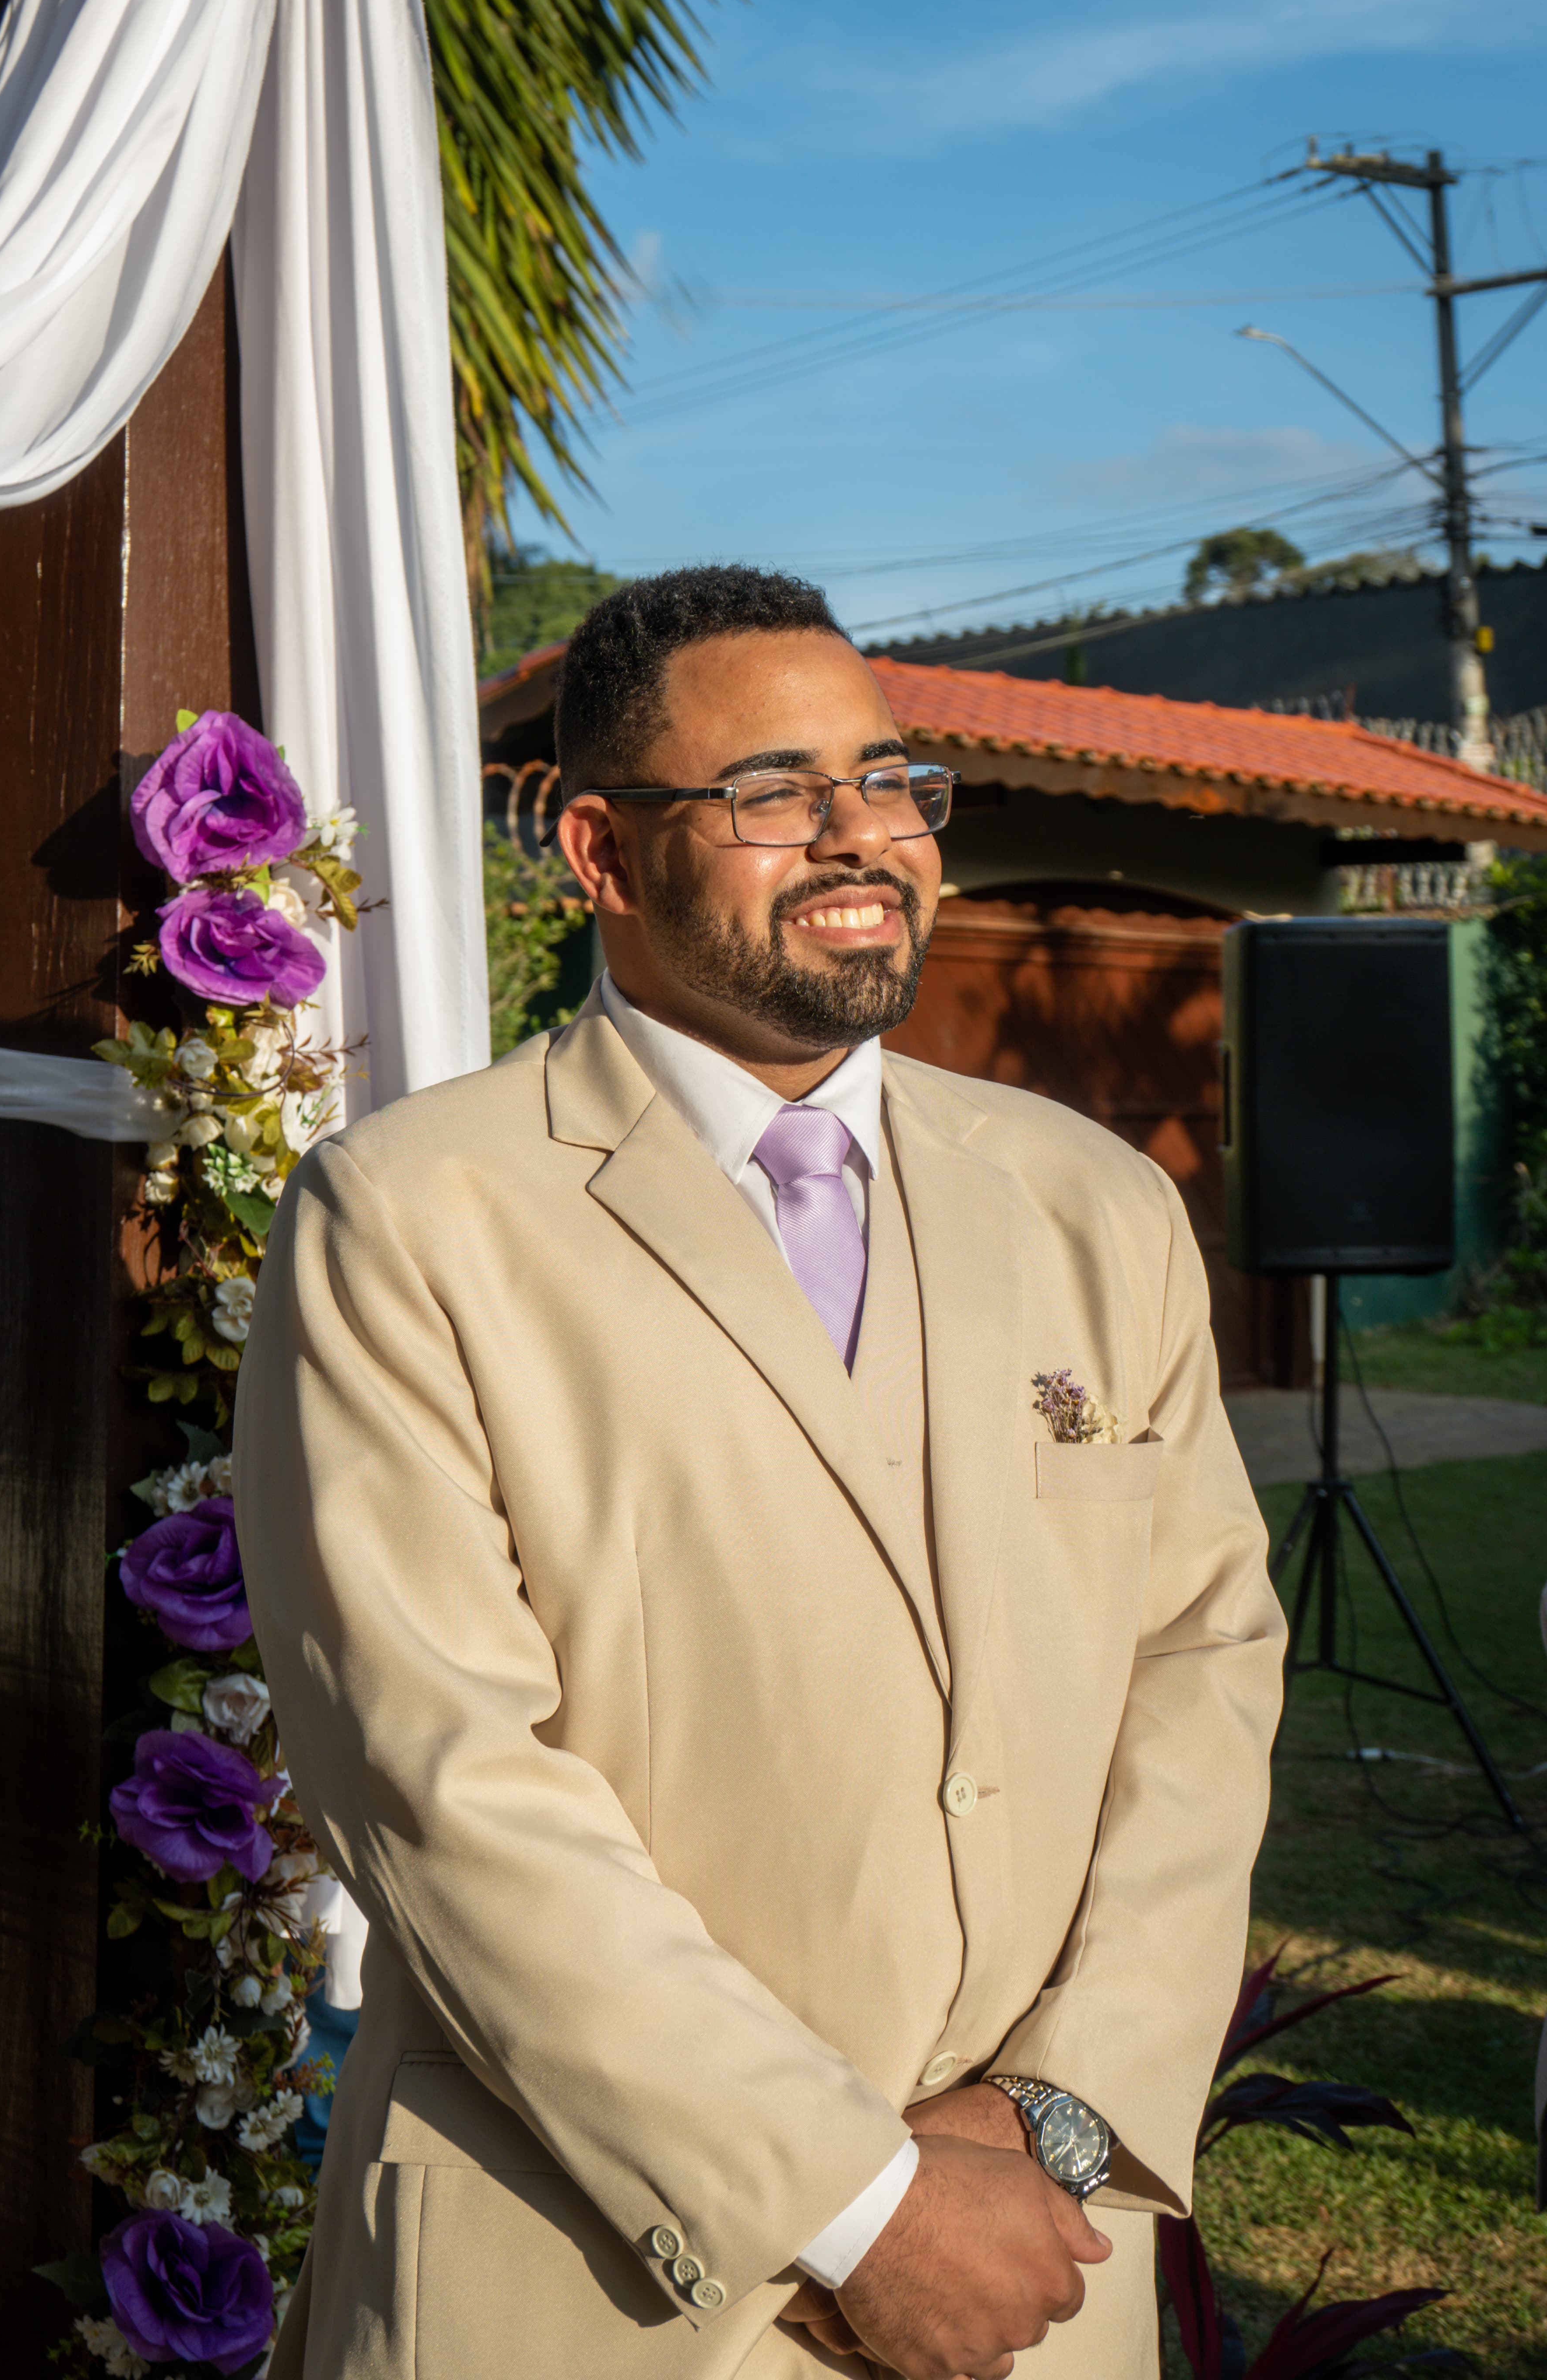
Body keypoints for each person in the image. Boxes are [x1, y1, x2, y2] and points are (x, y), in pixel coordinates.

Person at [234, 565, 1285, 2380]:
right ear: (597, 851)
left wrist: (1053, 2117)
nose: (860, 836)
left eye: (887, 782)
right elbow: (441, 1781)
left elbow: (1202, 1660)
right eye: (773, 794)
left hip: (1039, 2260)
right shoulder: (412, 1223)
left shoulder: (1092, 1204)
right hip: (595, 2283)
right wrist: (858, 2201)